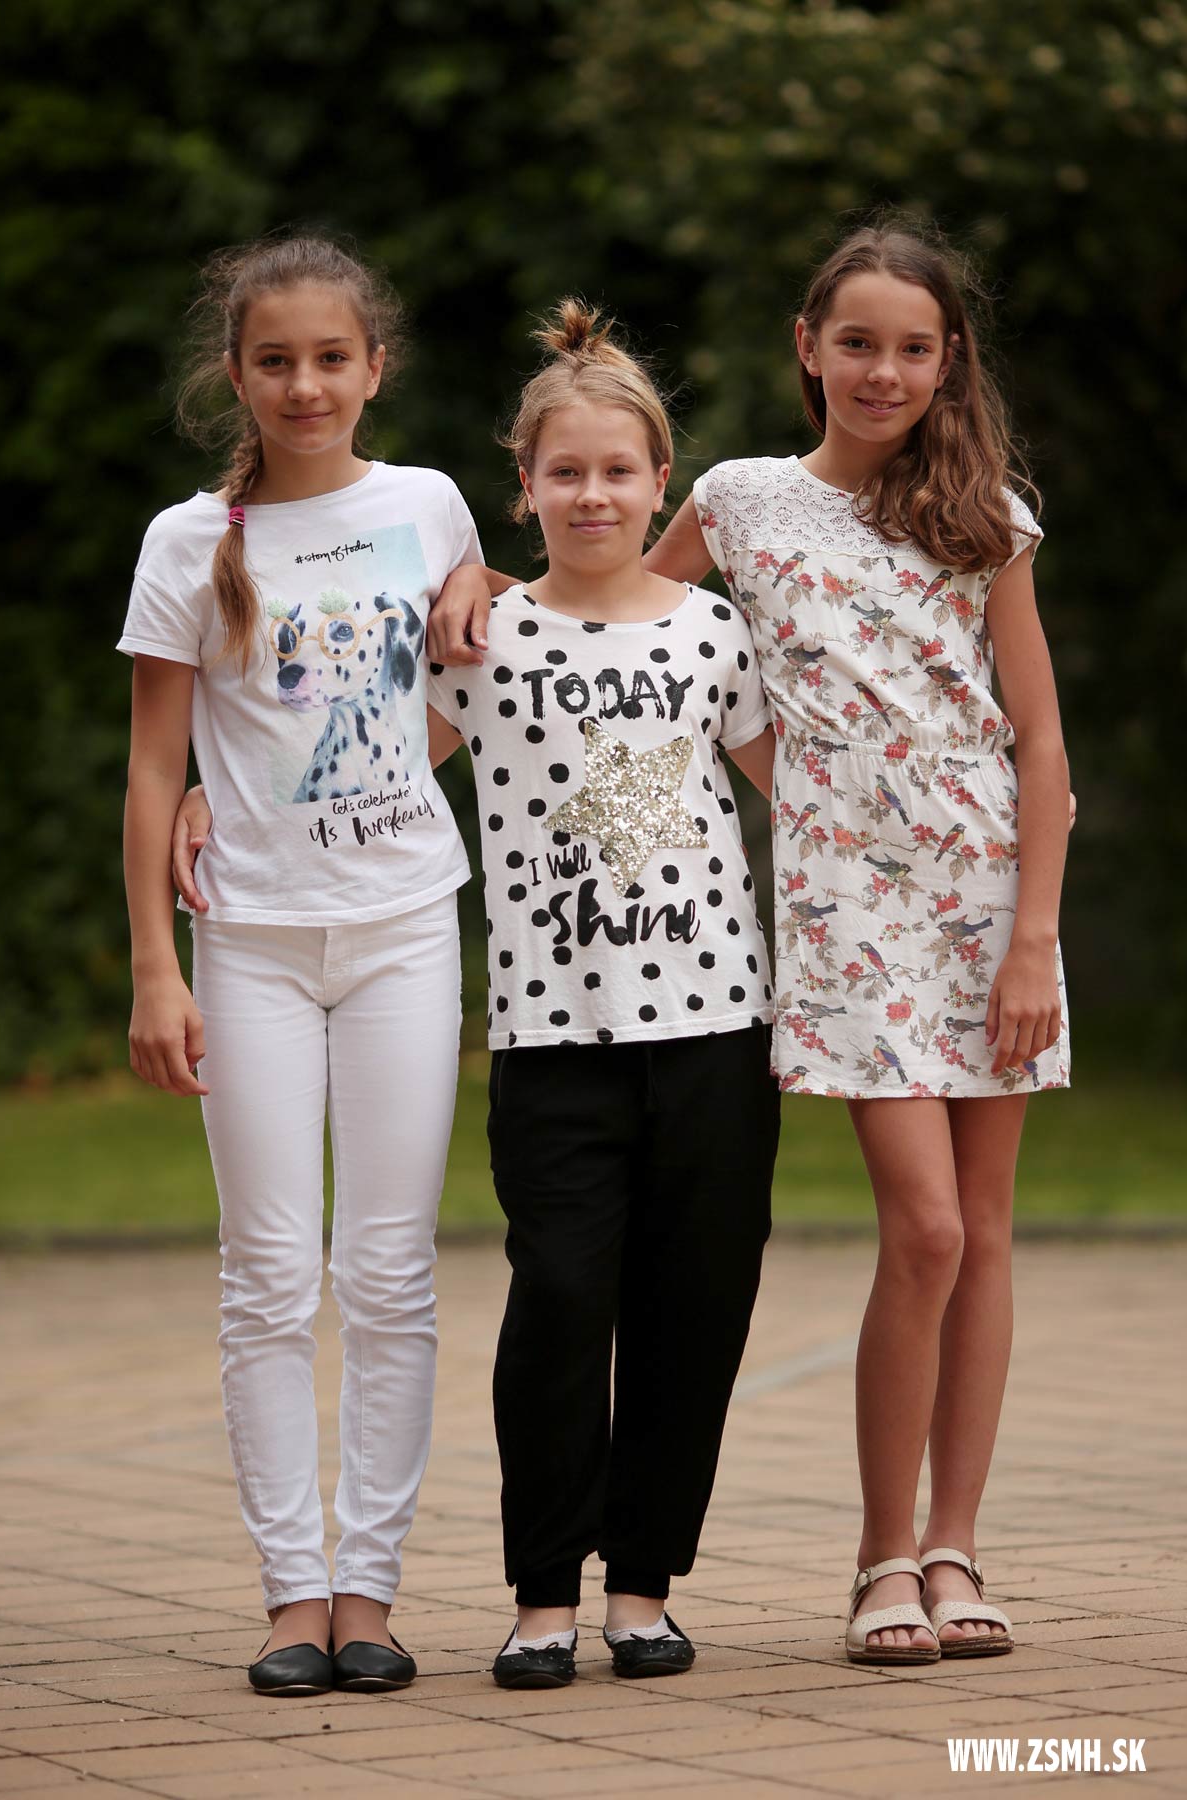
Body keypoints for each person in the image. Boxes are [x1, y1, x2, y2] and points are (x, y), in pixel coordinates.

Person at [428, 223, 1071, 1666]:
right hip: (848, 912)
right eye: (857, 342)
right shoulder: (737, 500)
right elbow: (614, 624)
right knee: (928, 1227)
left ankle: (952, 1548)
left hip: (988, 901)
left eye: (914, 346)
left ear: (950, 359)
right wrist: (476, 584)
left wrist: (1036, 931)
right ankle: (879, 1558)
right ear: (807, 348)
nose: (884, 370)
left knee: (983, 1233)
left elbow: (1039, 739)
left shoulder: (992, 517)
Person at [121, 233, 480, 1697]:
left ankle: (369, 1590)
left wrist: (357, 787)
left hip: (403, 929)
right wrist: (156, 967)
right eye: (276, 361)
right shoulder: (184, 542)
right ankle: (292, 1593)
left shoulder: (430, 504)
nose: (305, 385)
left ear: (374, 368)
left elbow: (458, 690)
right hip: (249, 945)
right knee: (268, 1276)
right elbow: (153, 770)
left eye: (332, 358)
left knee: (388, 1272)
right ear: (237, 375)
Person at [428, 300, 782, 1688]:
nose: (592, 494)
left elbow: (810, 793)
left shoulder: (714, 635)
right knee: (561, 1306)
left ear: (659, 483)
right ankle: (542, 1597)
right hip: (552, 1040)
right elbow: (368, 767)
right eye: (563, 471)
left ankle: (643, 1588)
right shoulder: (480, 639)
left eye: (618, 471)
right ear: (522, 485)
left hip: (716, 1034)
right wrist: (214, 794)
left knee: (694, 1312)